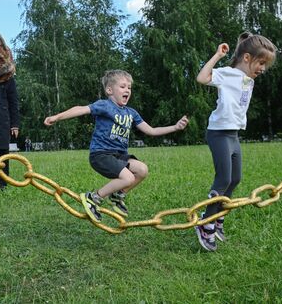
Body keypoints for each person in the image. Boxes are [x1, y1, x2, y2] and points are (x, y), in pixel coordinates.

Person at [44, 70, 189, 223]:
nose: (127, 90)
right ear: (109, 90)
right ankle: (92, 198)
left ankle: (117, 195)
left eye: (129, 87)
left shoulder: (131, 113)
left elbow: (151, 130)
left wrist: (175, 127)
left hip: (119, 155)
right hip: (101, 154)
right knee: (128, 177)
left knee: (142, 170)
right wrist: (56, 117)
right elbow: (80, 109)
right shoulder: (104, 105)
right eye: (123, 86)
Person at [195, 32, 277, 251]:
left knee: (235, 178)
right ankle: (206, 223)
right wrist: (216, 56)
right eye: (261, 63)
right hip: (219, 133)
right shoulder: (228, 74)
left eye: (266, 65)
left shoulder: (248, 79)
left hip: (233, 134)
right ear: (248, 58)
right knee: (223, 179)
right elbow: (202, 78)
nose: (263, 69)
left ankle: (218, 216)